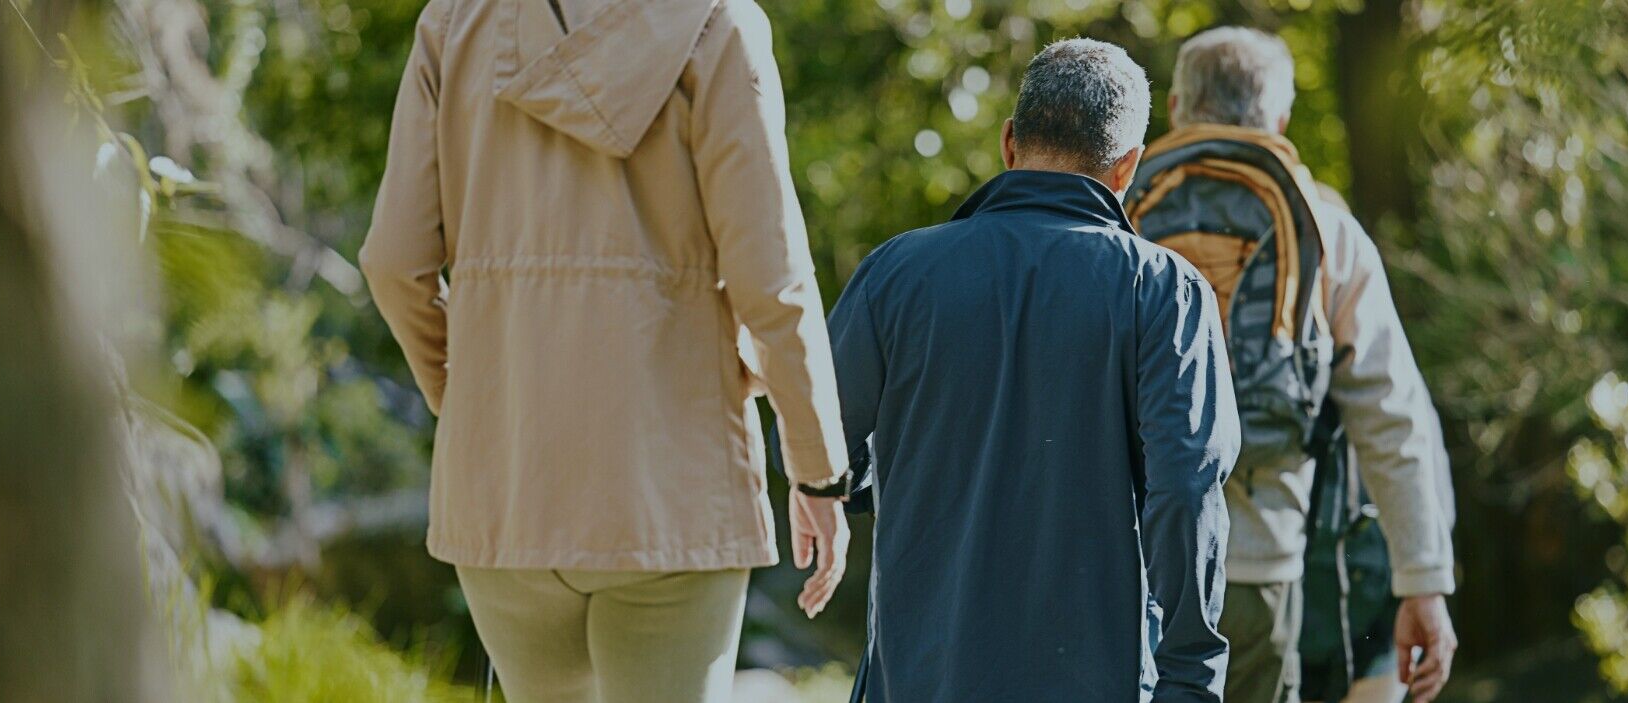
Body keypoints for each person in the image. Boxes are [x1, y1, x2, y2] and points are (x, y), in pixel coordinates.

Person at [359, 0, 852, 700]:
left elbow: (392, 261)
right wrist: (816, 471)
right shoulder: (718, 24)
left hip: (509, 482)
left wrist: (470, 398)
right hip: (672, 489)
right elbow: (771, 283)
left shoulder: (452, 22)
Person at [829, 39, 1240, 703]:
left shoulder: (894, 274)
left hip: (916, 677)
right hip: (1094, 678)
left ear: (1009, 141)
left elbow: (815, 446)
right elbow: (1187, 490)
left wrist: (907, 475)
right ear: (1126, 167)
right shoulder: (1164, 291)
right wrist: (1189, 677)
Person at [1124, 27, 1459, 703]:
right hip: (1257, 567)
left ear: (1180, 108)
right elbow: (1390, 416)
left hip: (1128, 564)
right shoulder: (1322, 226)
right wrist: (1421, 580)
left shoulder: (1120, 209)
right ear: (1278, 119)